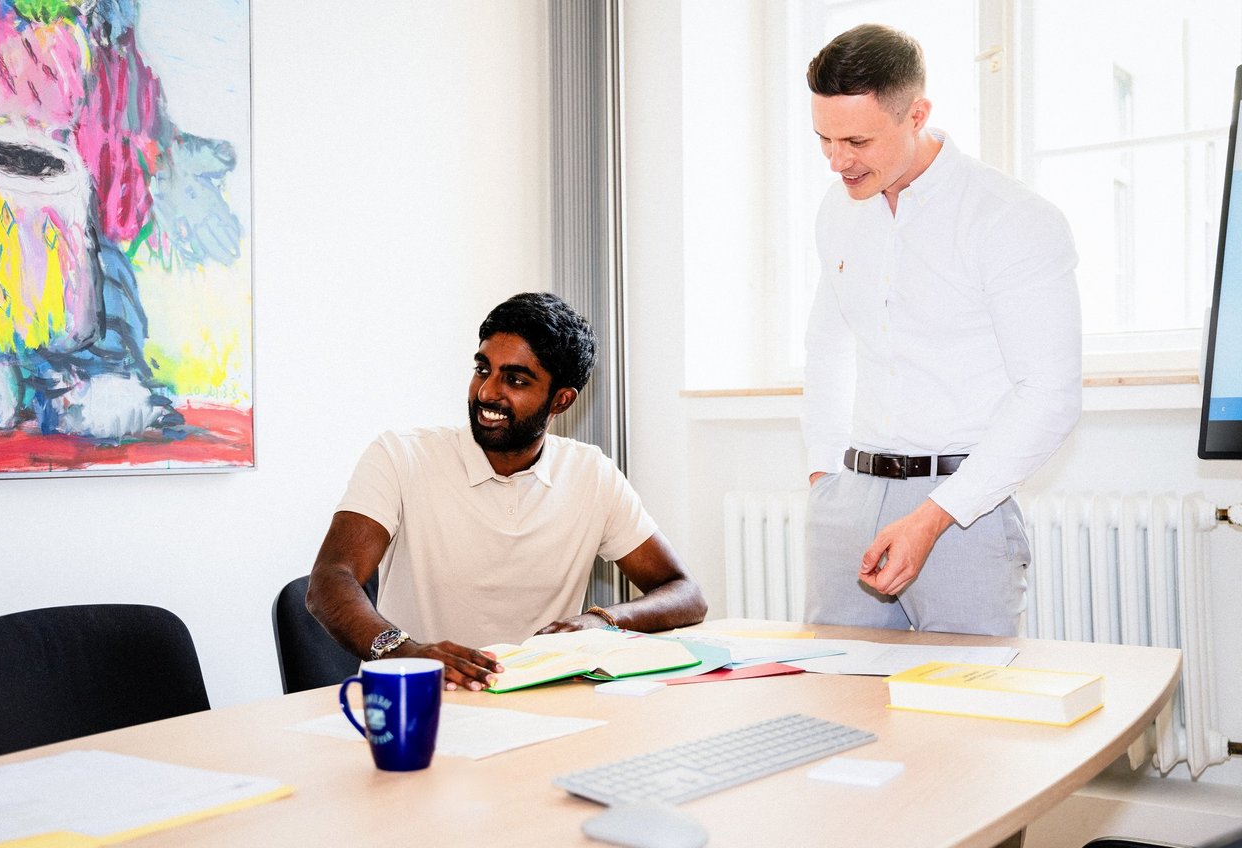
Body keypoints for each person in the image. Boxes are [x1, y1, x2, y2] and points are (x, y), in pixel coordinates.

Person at [800, 24, 1081, 636]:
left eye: (856, 140)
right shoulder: (837, 209)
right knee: (839, 710)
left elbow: (1050, 394)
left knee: (966, 720)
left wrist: (932, 518)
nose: (838, 160)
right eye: (823, 138)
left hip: (963, 511)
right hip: (849, 501)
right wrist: (825, 477)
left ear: (917, 114)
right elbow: (829, 344)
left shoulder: (1011, 219)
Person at [307, 292, 708, 690]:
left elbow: (685, 593)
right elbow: (330, 580)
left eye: (515, 379)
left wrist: (603, 620)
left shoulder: (592, 474)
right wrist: (405, 653)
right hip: (419, 700)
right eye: (483, 369)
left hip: (543, 706)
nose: (486, 392)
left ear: (561, 400)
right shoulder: (401, 455)